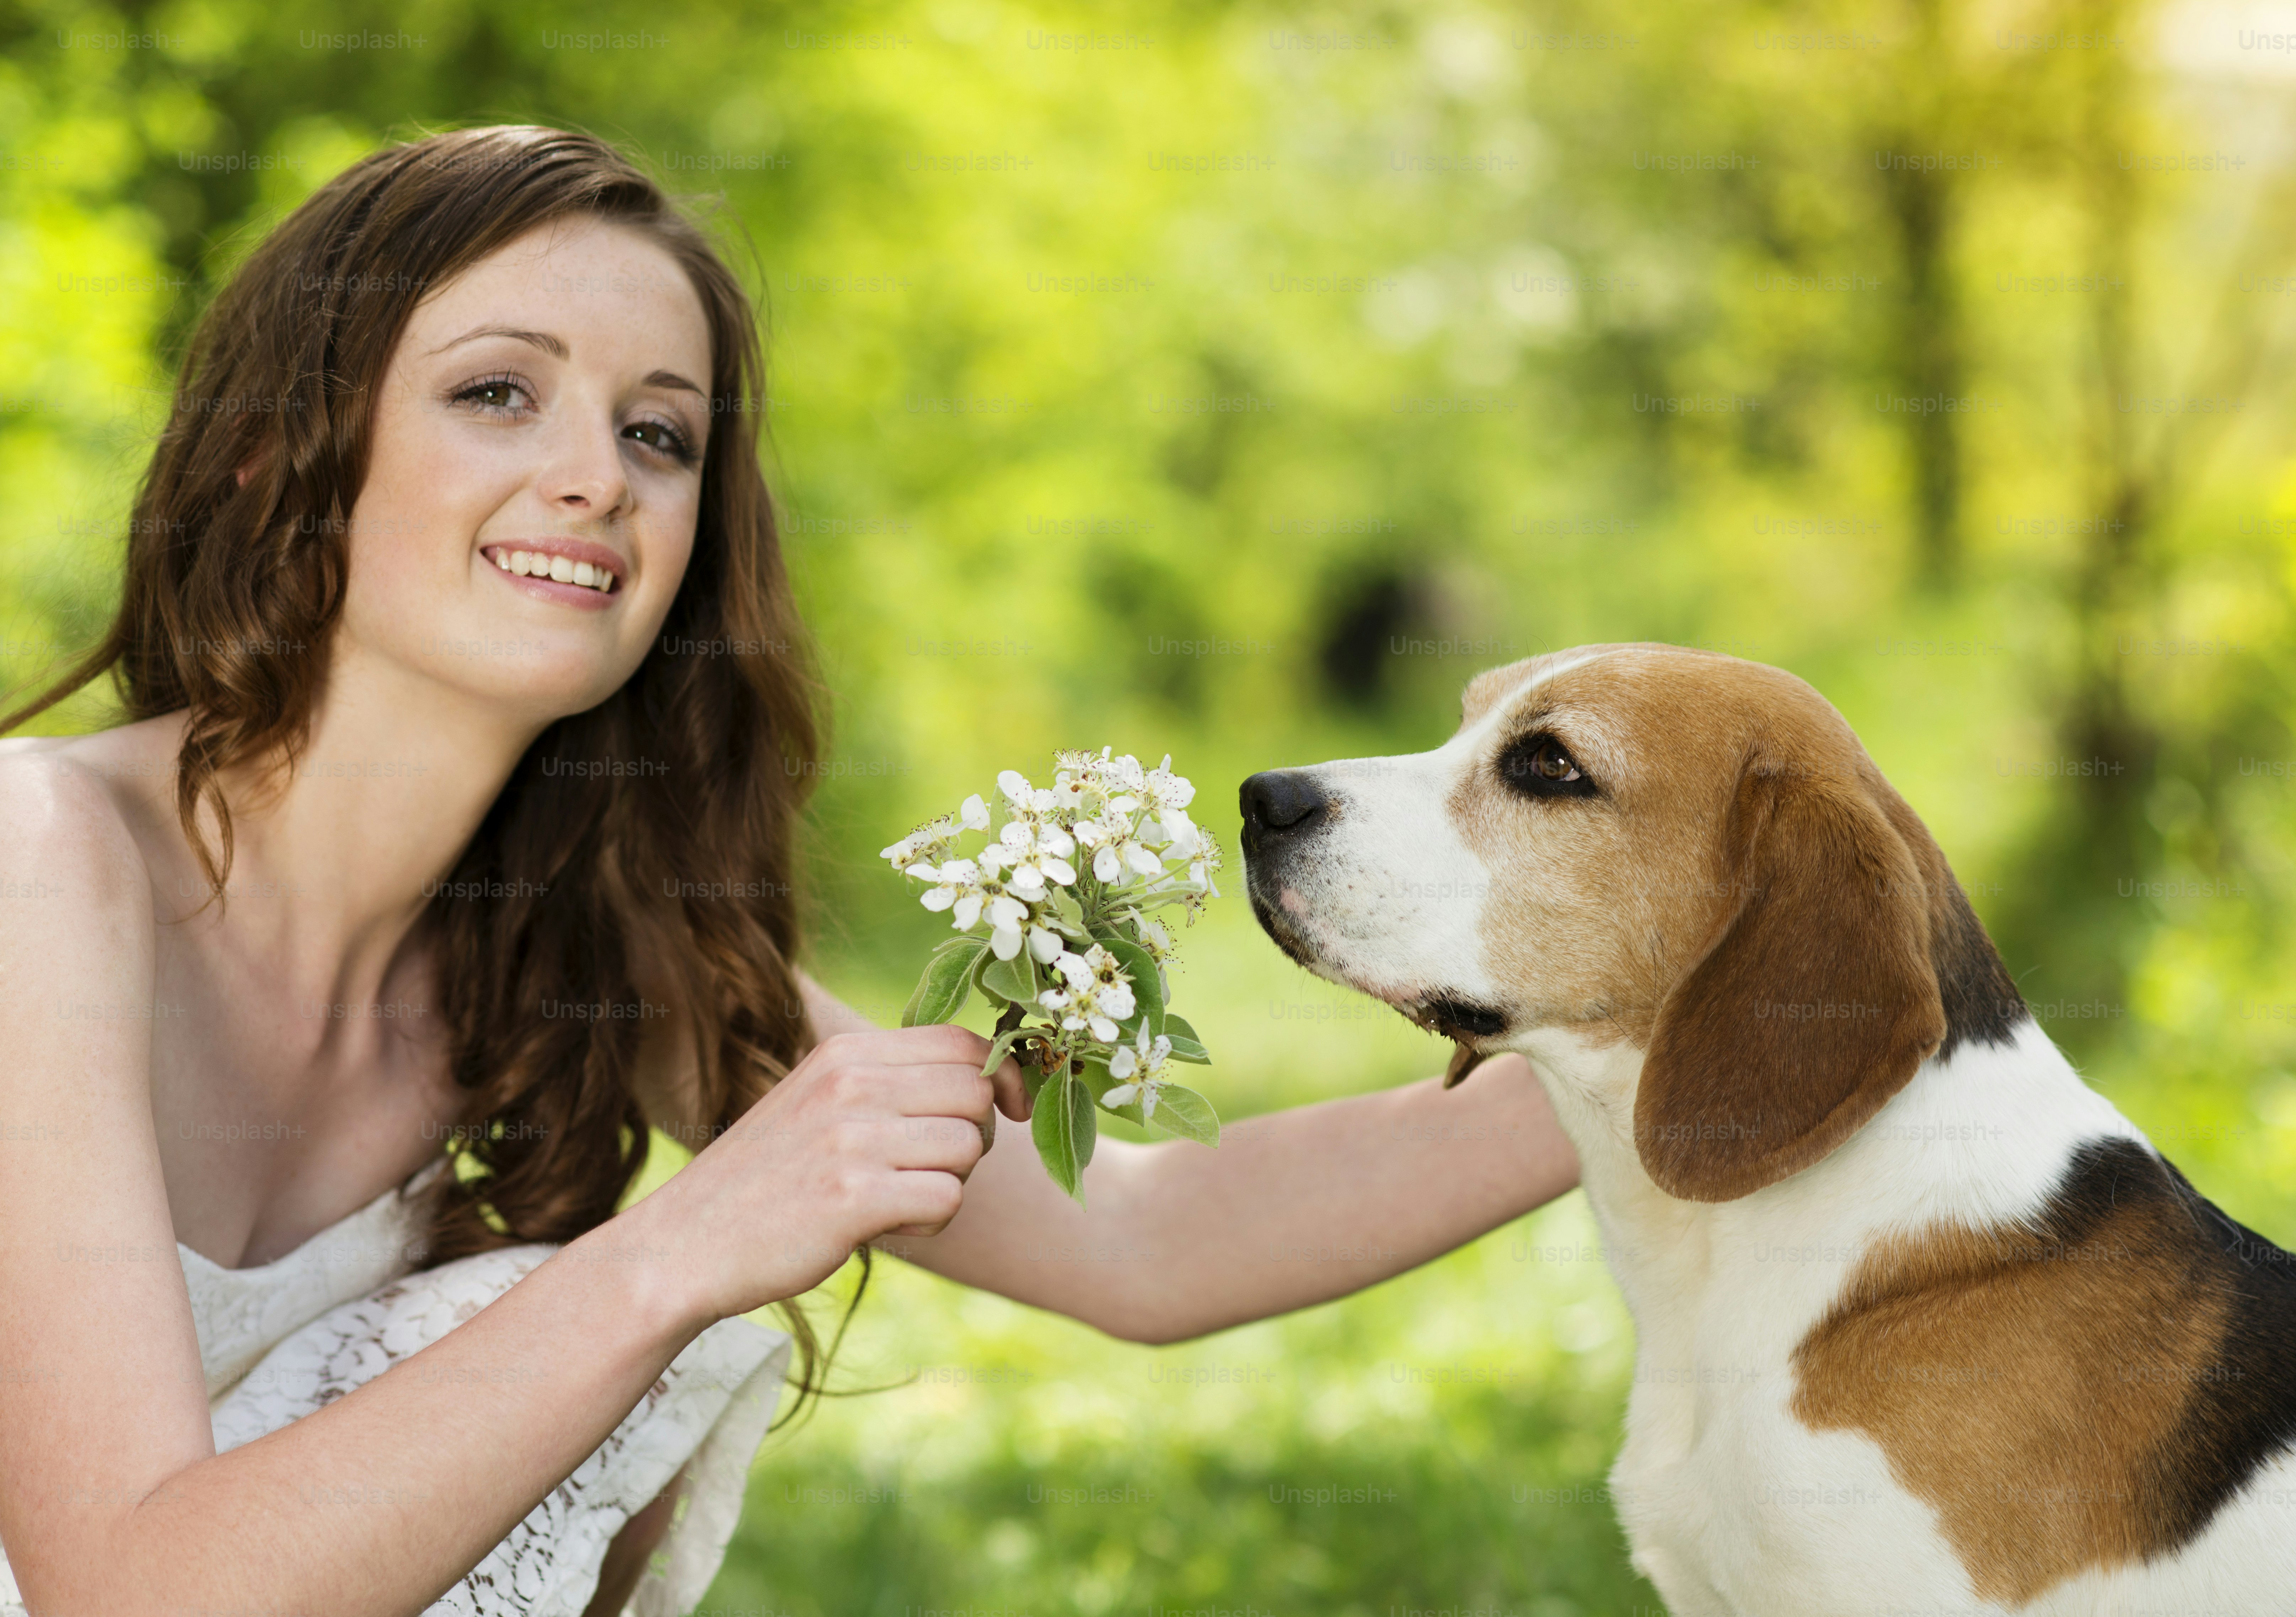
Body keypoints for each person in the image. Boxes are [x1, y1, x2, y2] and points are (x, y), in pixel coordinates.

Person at [0, 125, 1576, 1617]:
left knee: (523, 1347)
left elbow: (1147, 1239)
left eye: (657, 431)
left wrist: (1684, 1044)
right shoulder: (41, 858)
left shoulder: (566, 946)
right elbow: (133, 1590)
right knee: (540, 1329)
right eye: (496, 393)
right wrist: (682, 1249)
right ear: (279, 459)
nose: (596, 477)